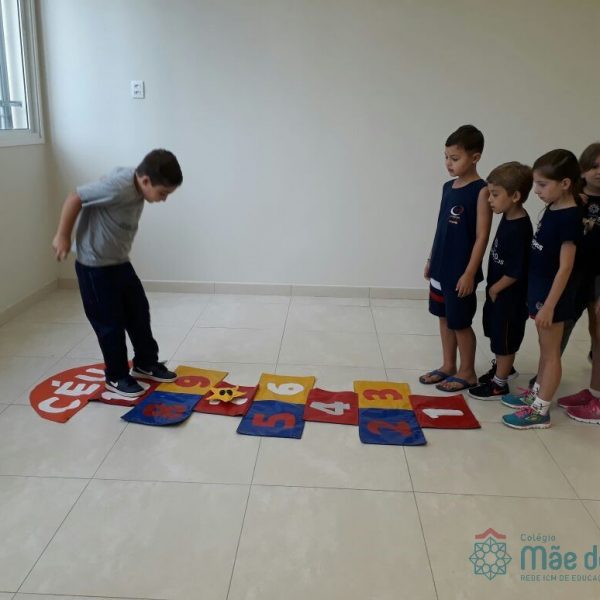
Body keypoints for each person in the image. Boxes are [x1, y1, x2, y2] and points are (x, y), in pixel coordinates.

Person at [52, 149, 183, 397]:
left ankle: (145, 363)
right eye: (162, 193)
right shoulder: (118, 187)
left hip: (119, 262)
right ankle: (116, 376)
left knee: (138, 312)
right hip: (94, 267)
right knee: (110, 324)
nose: (164, 199)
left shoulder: (137, 183)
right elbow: (74, 197)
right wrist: (63, 236)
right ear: (146, 181)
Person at [502, 149, 582, 429]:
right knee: (544, 349)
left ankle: (540, 411)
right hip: (539, 292)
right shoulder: (554, 207)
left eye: (542, 184)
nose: (536, 190)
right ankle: (536, 395)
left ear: (565, 183)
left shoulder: (569, 217)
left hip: (552, 298)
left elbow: (566, 267)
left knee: (551, 354)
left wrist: (549, 305)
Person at [420, 125, 492, 392]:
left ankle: (468, 371)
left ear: (475, 157)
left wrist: (470, 273)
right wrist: (431, 259)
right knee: (443, 317)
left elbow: (482, 236)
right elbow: (441, 227)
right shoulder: (447, 187)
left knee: (460, 322)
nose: (448, 163)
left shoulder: (481, 191)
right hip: (441, 267)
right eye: (446, 157)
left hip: (461, 271)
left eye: (455, 158)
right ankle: (448, 365)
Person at [469, 162, 533, 400]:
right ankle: (504, 369)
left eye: (495, 195)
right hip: (499, 293)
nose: (489, 200)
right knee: (497, 334)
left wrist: (495, 288)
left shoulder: (519, 229)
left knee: (505, 339)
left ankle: (499, 384)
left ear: (515, 196)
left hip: (510, 297)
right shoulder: (508, 215)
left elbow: (516, 270)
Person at [557, 142, 600, 424]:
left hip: (599, 277)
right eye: (594, 166)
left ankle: (598, 398)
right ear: (582, 170)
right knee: (561, 327)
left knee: (598, 333)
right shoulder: (572, 199)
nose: (599, 172)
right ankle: (592, 391)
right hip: (575, 275)